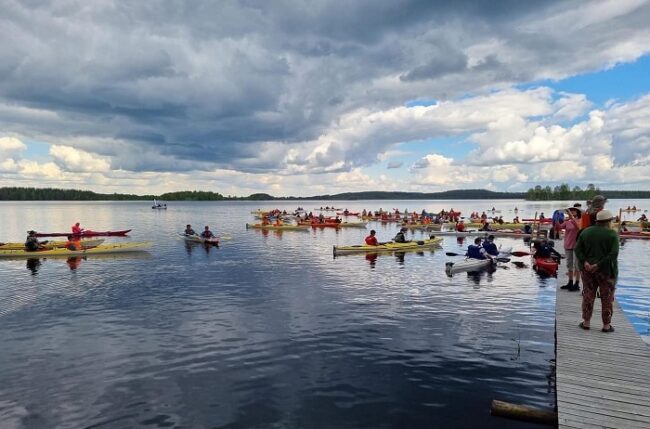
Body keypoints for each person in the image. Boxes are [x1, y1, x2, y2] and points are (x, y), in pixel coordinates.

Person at [575, 210, 619, 332]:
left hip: (587, 270)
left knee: (588, 295)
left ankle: (586, 322)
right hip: (607, 272)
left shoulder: (586, 232)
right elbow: (613, 254)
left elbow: (577, 250)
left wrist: (585, 262)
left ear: (597, 221)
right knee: (607, 298)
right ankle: (606, 325)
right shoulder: (612, 234)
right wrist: (598, 265)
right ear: (608, 221)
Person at [559, 206, 582, 291]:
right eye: (571, 211)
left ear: (577, 212)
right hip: (568, 245)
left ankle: (577, 284)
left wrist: (571, 217)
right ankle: (570, 282)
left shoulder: (580, 220)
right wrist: (557, 220)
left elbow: (579, 227)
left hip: (577, 246)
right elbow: (559, 227)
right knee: (569, 265)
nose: (572, 212)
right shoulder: (568, 221)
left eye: (574, 211)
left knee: (577, 265)